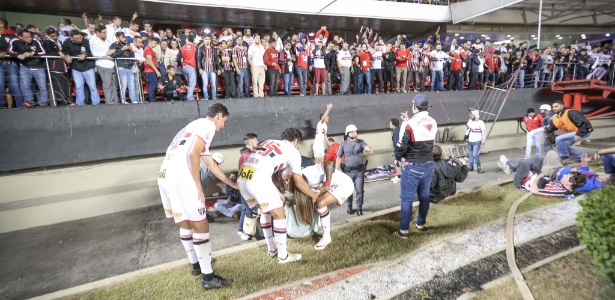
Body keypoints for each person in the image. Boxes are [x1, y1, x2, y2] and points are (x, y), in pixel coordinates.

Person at [157, 103, 236, 289]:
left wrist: (231, 183)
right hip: (182, 180)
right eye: (223, 121)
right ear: (218, 116)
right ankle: (208, 278)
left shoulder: (192, 126)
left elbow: (211, 164)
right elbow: (193, 155)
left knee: (186, 221)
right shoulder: (207, 126)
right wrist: (198, 185)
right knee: (201, 225)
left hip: (164, 176)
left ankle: (196, 265)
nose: (222, 126)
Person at [237, 128, 318, 264]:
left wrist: (276, 191)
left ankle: (272, 249)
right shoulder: (292, 151)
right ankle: (283, 256)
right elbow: (299, 182)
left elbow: (270, 170)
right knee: (280, 215)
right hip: (258, 180)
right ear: (297, 141)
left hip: (243, 179)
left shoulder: (269, 142)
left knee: (266, 210)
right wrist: (313, 195)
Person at [394, 94, 438, 238]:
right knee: (424, 196)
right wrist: (409, 120)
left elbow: (402, 145)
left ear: (414, 106)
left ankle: (403, 230)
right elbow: (422, 131)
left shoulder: (409, 124)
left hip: (413, 166)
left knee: (407, 199)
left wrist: (397, 158)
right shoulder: (433, 121)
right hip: (429, 164)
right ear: (428, 106)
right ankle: (420, 224)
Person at [287, 161, 354, 250]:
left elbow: (329, 164)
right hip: (334, 186)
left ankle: (326, 237)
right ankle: (317, 225)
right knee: (314, 200)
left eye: (287, 179)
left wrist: (327, 185)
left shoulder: (308, 173)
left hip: (344, 184)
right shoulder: (299, 182)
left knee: (320, 202)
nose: (287, 182)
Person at [497, 151, 588, 197]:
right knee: (538, 160)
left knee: (524, 163)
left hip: (522, 182)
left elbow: (534, 191)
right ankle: (510, 165)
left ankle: (509, 165)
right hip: (535, 176)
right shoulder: (565, 186)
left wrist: (539, 177)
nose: (565, 175)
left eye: (567, 176)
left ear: (570, 183)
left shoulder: (557, 191)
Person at [336, 124, 374, 216]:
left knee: (359, 190)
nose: (353, 133)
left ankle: (359, 208)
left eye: (355, 131)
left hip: (359, 172)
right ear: (347, 133)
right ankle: (349, 207)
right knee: (349, 191)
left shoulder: (361, 142)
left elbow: (366, 147)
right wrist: (336, 171)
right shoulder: (343, 144)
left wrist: (368, 149)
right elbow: (338, 157)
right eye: (351, 132)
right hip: (347, 172)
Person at [8, 29, 48, 107]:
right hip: (25, 66)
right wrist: (18, 55)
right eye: (27, 37)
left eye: (30, 36)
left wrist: (32, 53)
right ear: (20, 37)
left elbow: (43, 52)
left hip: (38, 66)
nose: (30, 38)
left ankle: (44, 102)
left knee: (42, 86)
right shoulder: (14, 40)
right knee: (26, 86)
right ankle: (29, 101)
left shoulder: (36, 41)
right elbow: (9, 50)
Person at [236, 133, 259, 240]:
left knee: (246, 209)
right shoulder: (246, 156)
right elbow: (247, 175)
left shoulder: (247, 155)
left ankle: (241, 230)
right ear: (250, 143)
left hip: (246, 187)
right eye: (255, 140)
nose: (257, 142)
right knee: (249, 210)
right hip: (247, 188)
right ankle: (245, 231)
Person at [390, 118, 401, 183]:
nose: (389, 124)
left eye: (390, 123)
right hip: (399, 151)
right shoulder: (397, 130)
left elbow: (397, 143)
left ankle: (399, 177)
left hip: (398, 151)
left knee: (397, 163)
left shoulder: (396, 132)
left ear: (393, 124)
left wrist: (397, 153)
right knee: (399, 163)